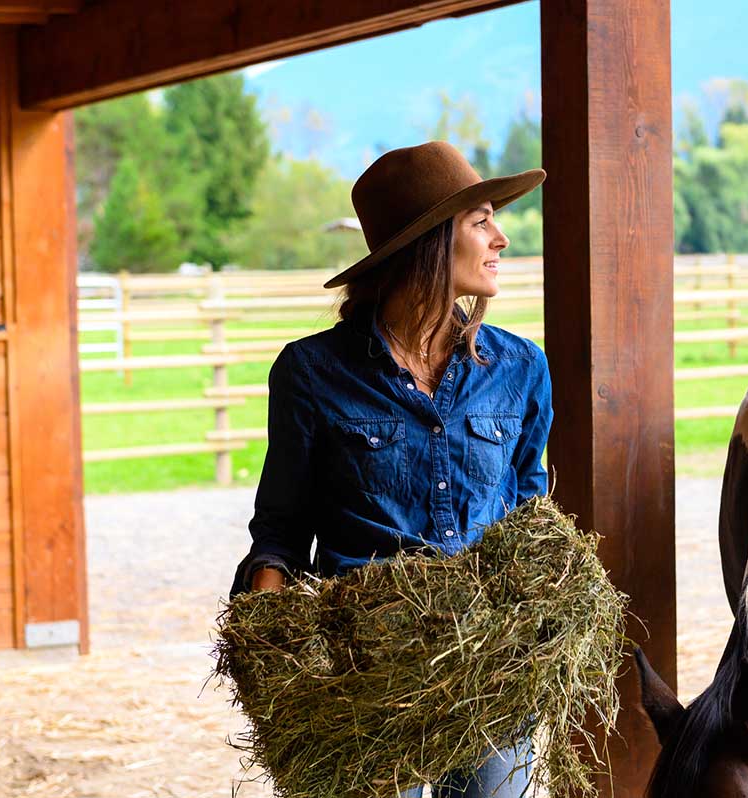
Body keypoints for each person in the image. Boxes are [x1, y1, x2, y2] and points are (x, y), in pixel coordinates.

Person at [229, 141, 553, 798]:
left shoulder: (521, 369)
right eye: (481, 220)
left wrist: (541, 624)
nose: (502, 238)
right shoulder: (311, 373)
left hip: (490, 663)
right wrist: (268, 648)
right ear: (431, 241)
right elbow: (282, 526)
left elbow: (529, 512)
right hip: (362, 673)